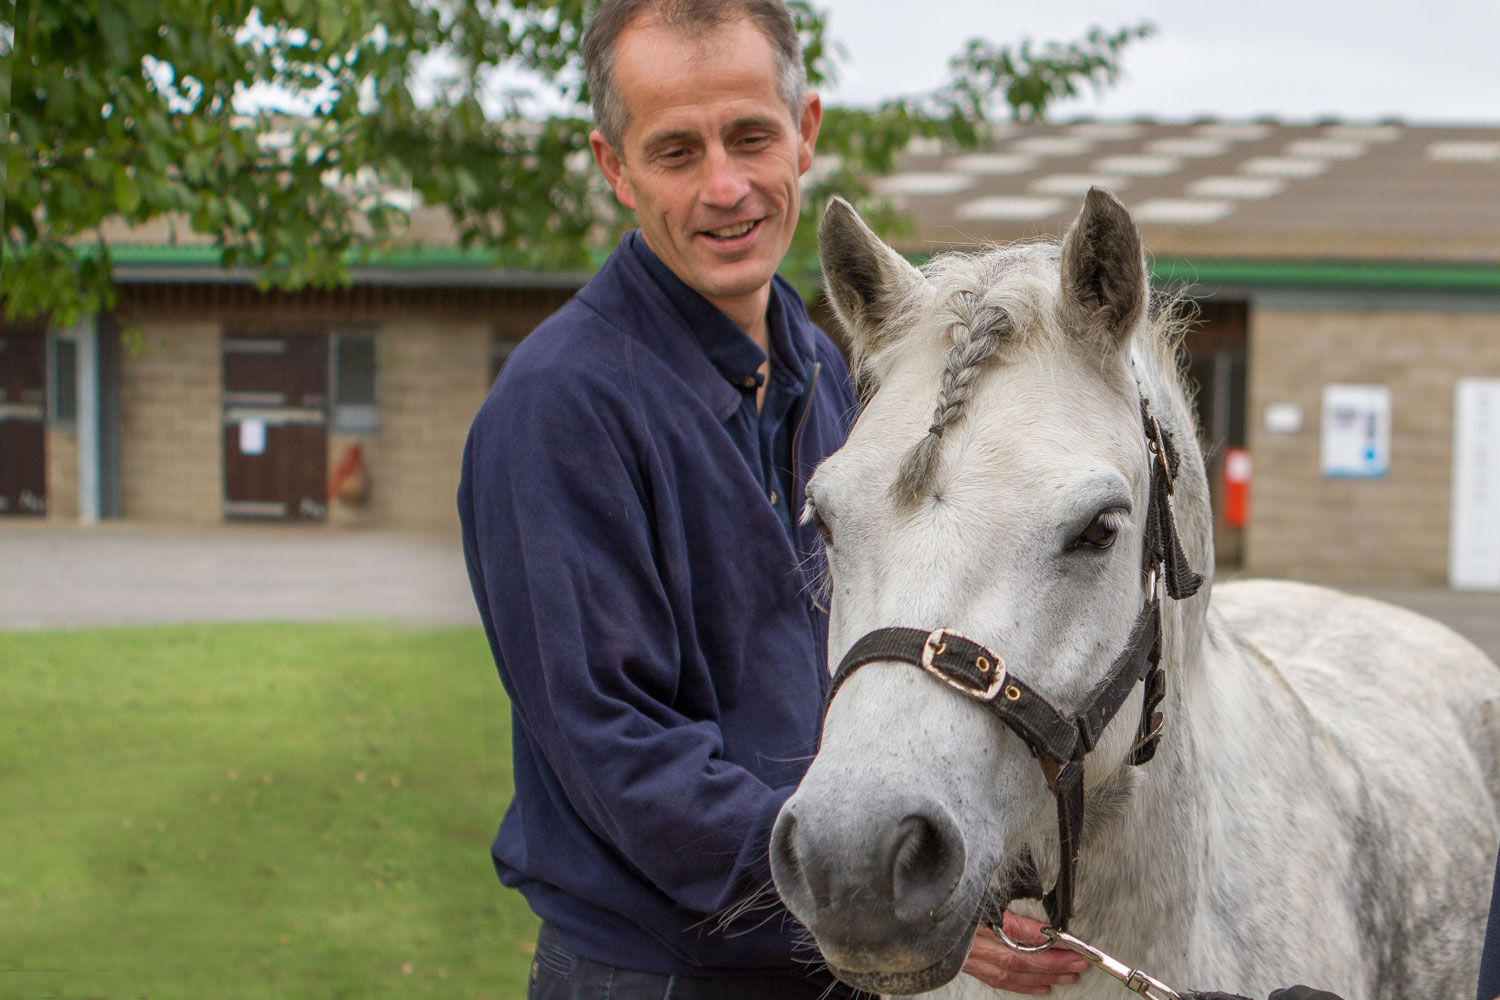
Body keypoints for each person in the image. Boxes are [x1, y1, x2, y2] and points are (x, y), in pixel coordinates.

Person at [457, 0, 1087, 995]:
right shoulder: (557, 409)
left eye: (751, 136)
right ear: (614, 166)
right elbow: (616, 751)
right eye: (674, 151)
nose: (725, 185)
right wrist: (864, 886)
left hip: (831, 930)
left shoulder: (822, 371)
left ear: (806, 136)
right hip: (659, 973)